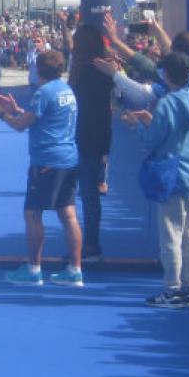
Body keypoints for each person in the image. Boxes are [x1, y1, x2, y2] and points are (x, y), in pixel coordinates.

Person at [0, 50, 84, 287]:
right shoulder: (66, 90)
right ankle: (75, 270)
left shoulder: (44, 93)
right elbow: (41, 118)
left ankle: (34, 269)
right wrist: (17, 109)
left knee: (32, 214)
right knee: (68, 214)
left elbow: (20, 126)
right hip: (68, 158)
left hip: (47, 161)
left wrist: (2, 114)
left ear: (37, 69)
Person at [121, 52, 189, 308]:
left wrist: (135, 124)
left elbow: (152, 140)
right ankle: (188, 285)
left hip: (174, 176)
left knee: (171, 236)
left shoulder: (168, 103)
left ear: (167, 75)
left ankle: (172, 289)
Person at [67, 23, 113, 264]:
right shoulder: (104, 71)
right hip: (97, 138)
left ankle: (89, 245)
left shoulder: (83, 73)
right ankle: (90, 243)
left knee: (80, 196)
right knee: (89, 196)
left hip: (80, 139)